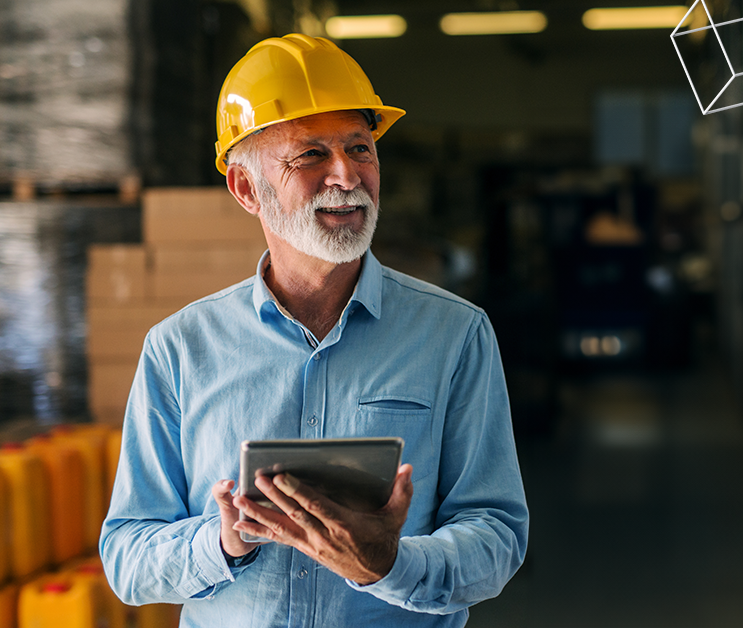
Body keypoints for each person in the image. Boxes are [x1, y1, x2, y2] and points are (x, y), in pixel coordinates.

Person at [100, 34, 529, 627]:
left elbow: (497, 536)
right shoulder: (180, 349)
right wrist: (222, 544)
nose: (347, 175)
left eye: (361, 147)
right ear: (247, 189)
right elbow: (127, 558)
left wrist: (389, 566)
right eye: (311, 155)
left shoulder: (454, 336)